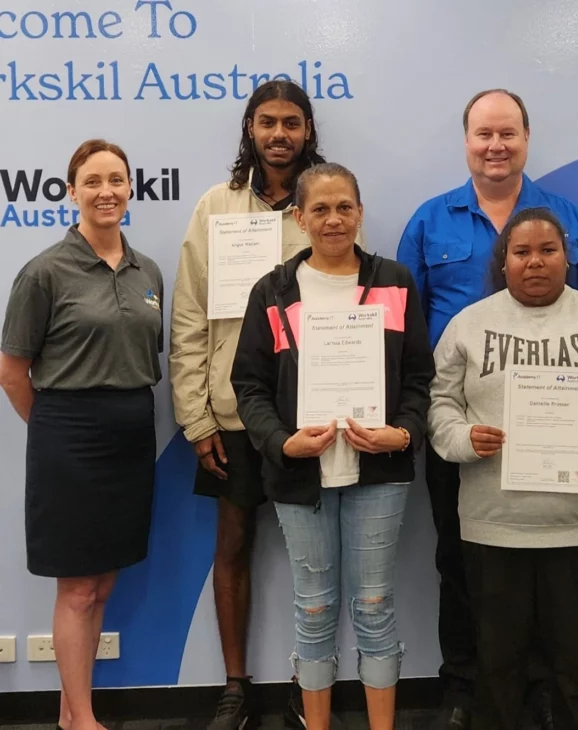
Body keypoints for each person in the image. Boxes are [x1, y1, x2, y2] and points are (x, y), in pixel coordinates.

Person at [396, 88, 578, 729]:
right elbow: (406, 326)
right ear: (466, 141)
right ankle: (466, 688)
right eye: (483, 134)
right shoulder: (430, 220)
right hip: (468, 432)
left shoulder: (567, 218)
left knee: (553, 573)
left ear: (527, 138)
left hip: (560, 433)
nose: (496, 146)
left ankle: (546, 691)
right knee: (462, 561)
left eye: (508, 134)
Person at [428, 207, 578, 730]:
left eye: (547, 250)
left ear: (568, 256)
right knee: (497, 660)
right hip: (495, 524)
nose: (535, 262)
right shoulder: (469, 325)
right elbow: (438, 404)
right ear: (504, 261)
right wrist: (464, 438)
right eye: (522, 252)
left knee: (575, 659)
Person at [169, 79, 346, 728]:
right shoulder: (217, 208)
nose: (280, 134)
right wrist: (195, 417)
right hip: (232, 414)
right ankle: (235, 686)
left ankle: (314, 682)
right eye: (267, 122)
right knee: (235, 543)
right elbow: (188, 316)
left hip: (313, 414)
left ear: (307, 132)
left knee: (316, 554)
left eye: (292, 123)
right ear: (250, 129)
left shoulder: (325, 205)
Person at [231, 163, 433, 730]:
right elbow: (248, 385)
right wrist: (280, 442)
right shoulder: (271, 291)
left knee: (374, 607)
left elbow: (419, 377)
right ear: (299, 218)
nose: (334, 219)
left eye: (345, 207)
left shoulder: (394, 282)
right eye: (319, 209)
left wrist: (405, 433)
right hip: (301, 477)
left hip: (380, 471)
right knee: (314, 610)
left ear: (361, 213)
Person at [0, 140, 163, 730]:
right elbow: (13, 371)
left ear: (130, 189)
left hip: (130, 438)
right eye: (92, 181)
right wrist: (55, 430)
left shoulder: (149, 272)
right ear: (71, 192)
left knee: (102, 584)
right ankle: (85, 723)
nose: (106, 191)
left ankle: (75, 715)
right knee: (76, 589)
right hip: (68, 439)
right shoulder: (45, 271)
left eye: (117, 179)